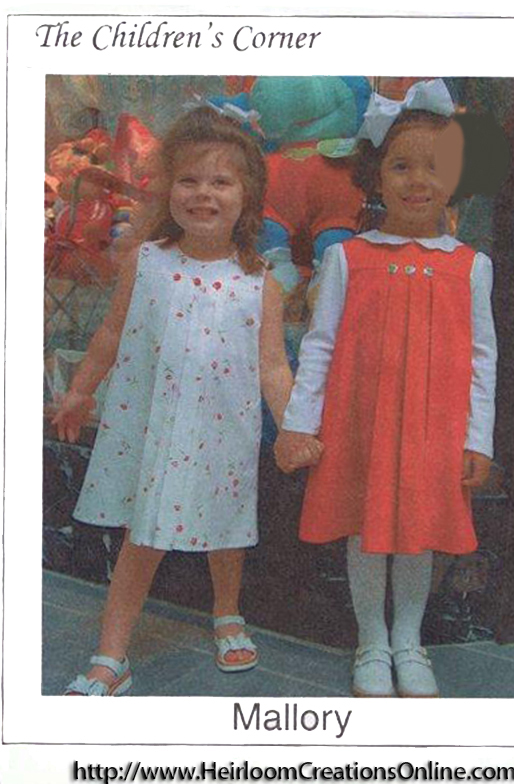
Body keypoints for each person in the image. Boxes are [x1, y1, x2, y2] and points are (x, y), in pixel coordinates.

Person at [53, 106, 318, 695]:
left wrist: (294, 427)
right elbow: (111, 334)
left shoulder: (261, 283)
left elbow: (274, 367)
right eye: (189, 179)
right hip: (156, 430)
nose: (203, 193)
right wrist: (79, 390)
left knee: (227, 527)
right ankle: (111, 656)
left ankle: (227, 613)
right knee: (141, 537)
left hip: (225, 431)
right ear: (168, 187)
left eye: (221, 181)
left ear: (247, 197)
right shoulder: (146, 263)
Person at [274, 79, 500, 698]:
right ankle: (371, 640)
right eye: (401, 166)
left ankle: (408, 639)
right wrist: (300, 423)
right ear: (376, 175)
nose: (416, 181)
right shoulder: (348, 257)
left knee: (418, 532)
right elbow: (320, 344)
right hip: (361, 424)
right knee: (365, 529)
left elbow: (483, 358)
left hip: (435, 430)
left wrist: (477, 438)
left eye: (434, 167)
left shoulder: (471, 266)